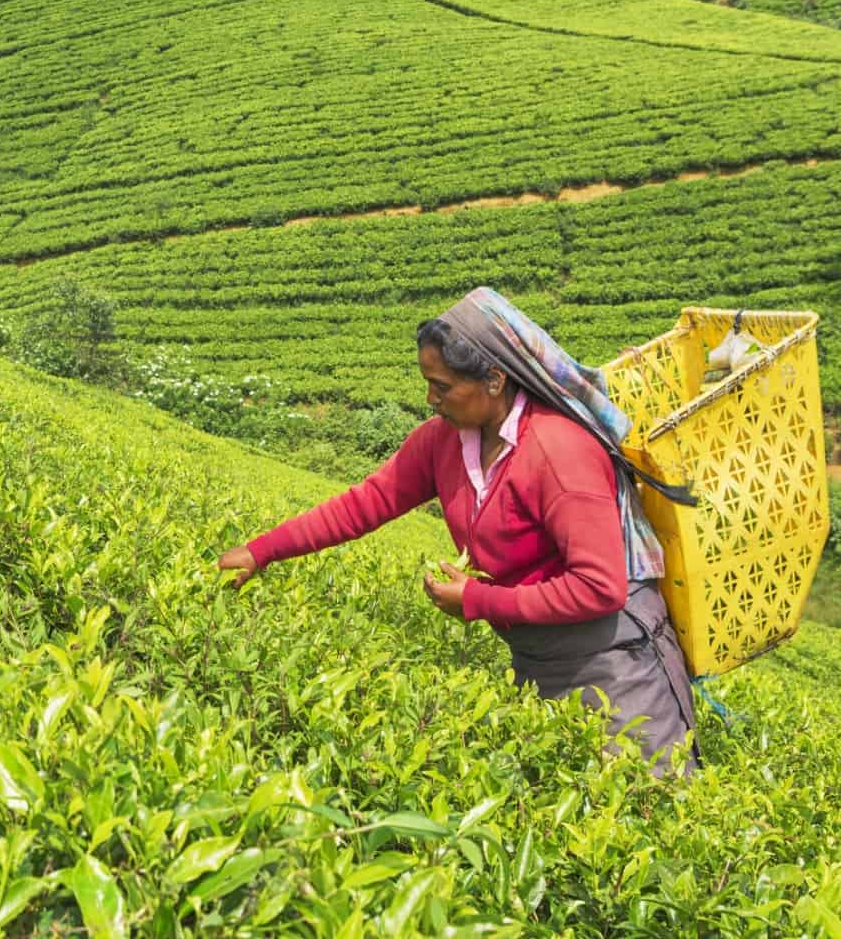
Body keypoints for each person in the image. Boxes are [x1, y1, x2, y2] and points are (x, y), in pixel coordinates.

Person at [216, 286, 697, 774]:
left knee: (643, 798)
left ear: (493, 379)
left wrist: (477, 601)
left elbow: (599, 588)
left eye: (442, 386)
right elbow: (364, 505)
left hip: (617, 663)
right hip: (536, 656)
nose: (430, 400)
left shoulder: (558, 452)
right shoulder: (443, 443)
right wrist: (261, 551)